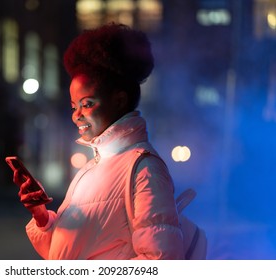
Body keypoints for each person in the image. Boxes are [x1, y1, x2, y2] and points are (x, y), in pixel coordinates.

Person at [13, 22, 184, 259]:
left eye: (87, 104)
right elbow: (64, 254)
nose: (76, 115)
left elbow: (161, 261)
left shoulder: (144, 169)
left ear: (119, 100)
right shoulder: (93, 167)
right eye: (74, 106)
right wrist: (41, 215)